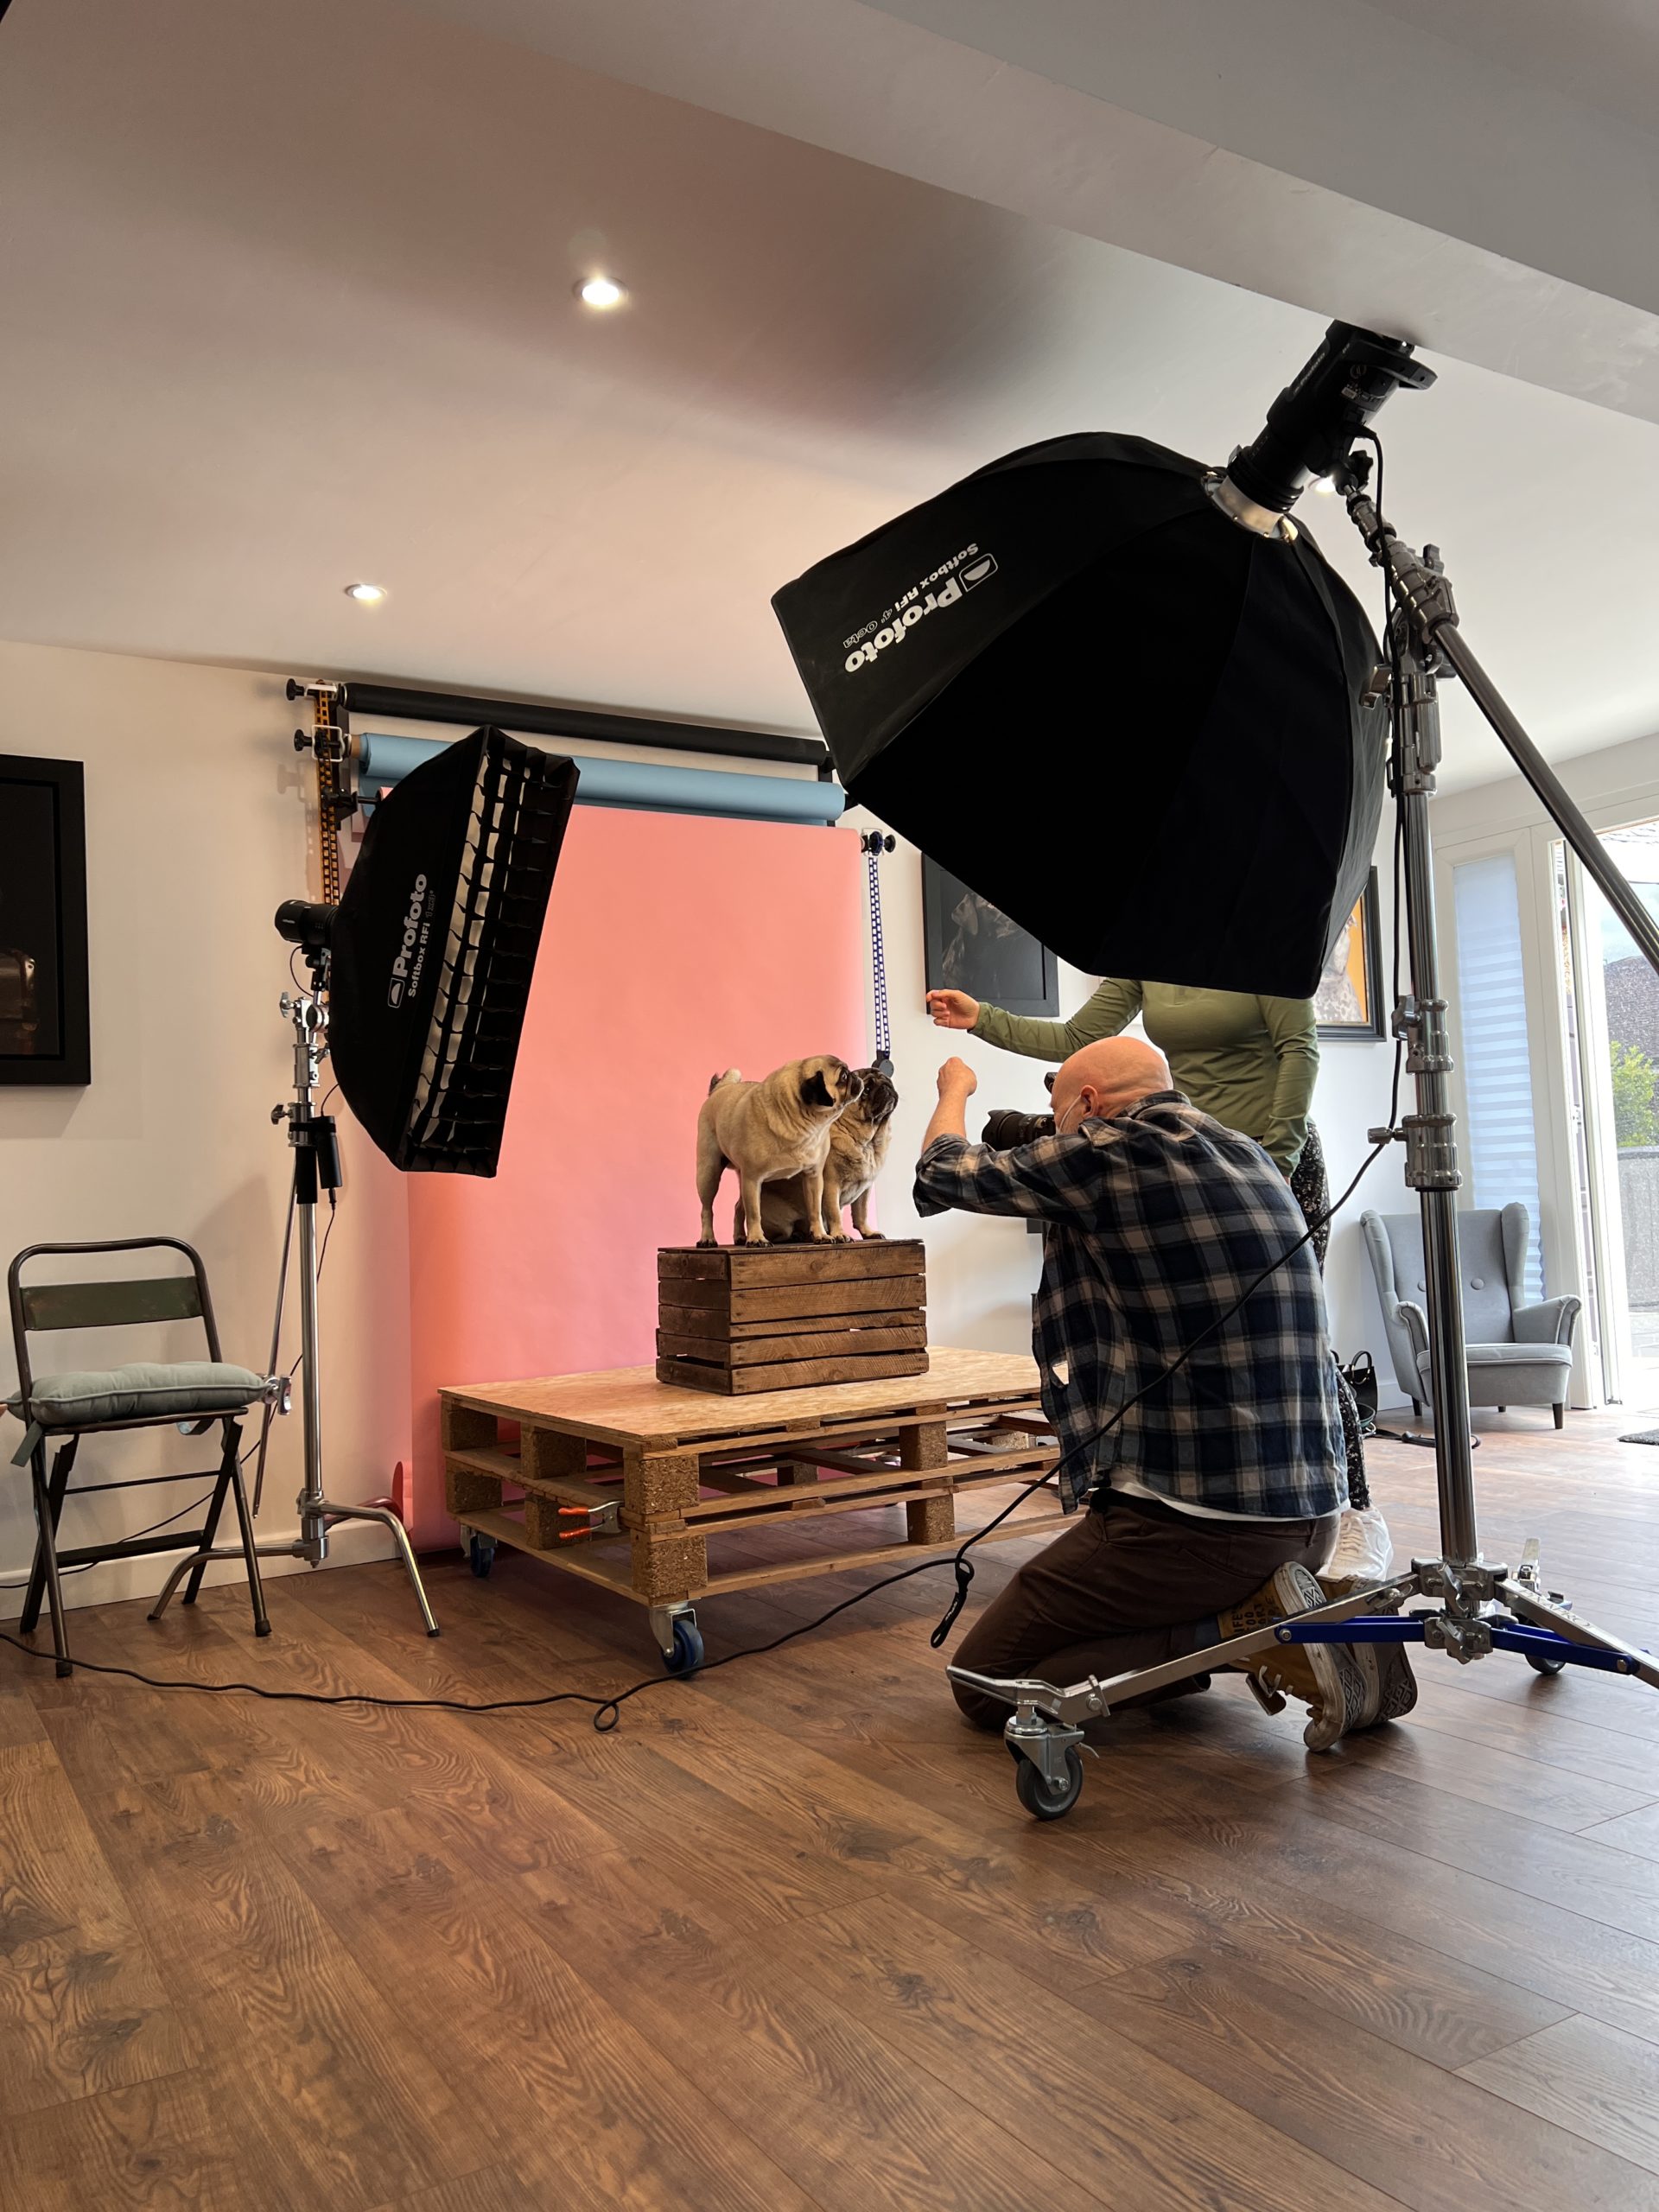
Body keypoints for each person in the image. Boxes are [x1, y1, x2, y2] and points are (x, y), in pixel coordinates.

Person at [915, 1039, 1414, 1747]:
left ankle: (1255, 1631)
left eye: (1061, 1114)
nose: (1058, 1129)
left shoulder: (1108, 1155)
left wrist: (955, 1088)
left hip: (1200, 1530)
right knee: (1075, 1644)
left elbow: (942, 1172)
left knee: (987, 1684)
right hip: (1311, 1516)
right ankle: (1256, 1619)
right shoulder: (1243, 1151)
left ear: (1088, 1106)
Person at [926, 978, 1372, 1512]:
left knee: (1280, 1335)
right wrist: (984, 1017)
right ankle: (1179, 1487)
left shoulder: (1259, 949)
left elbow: (1300, 1051)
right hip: (1169, 1147)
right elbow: (1080, 1037)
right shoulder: (1141, 959)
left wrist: (1273, 1158)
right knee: (1166, 1330)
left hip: (1266, 1156)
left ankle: (1348, 1510)